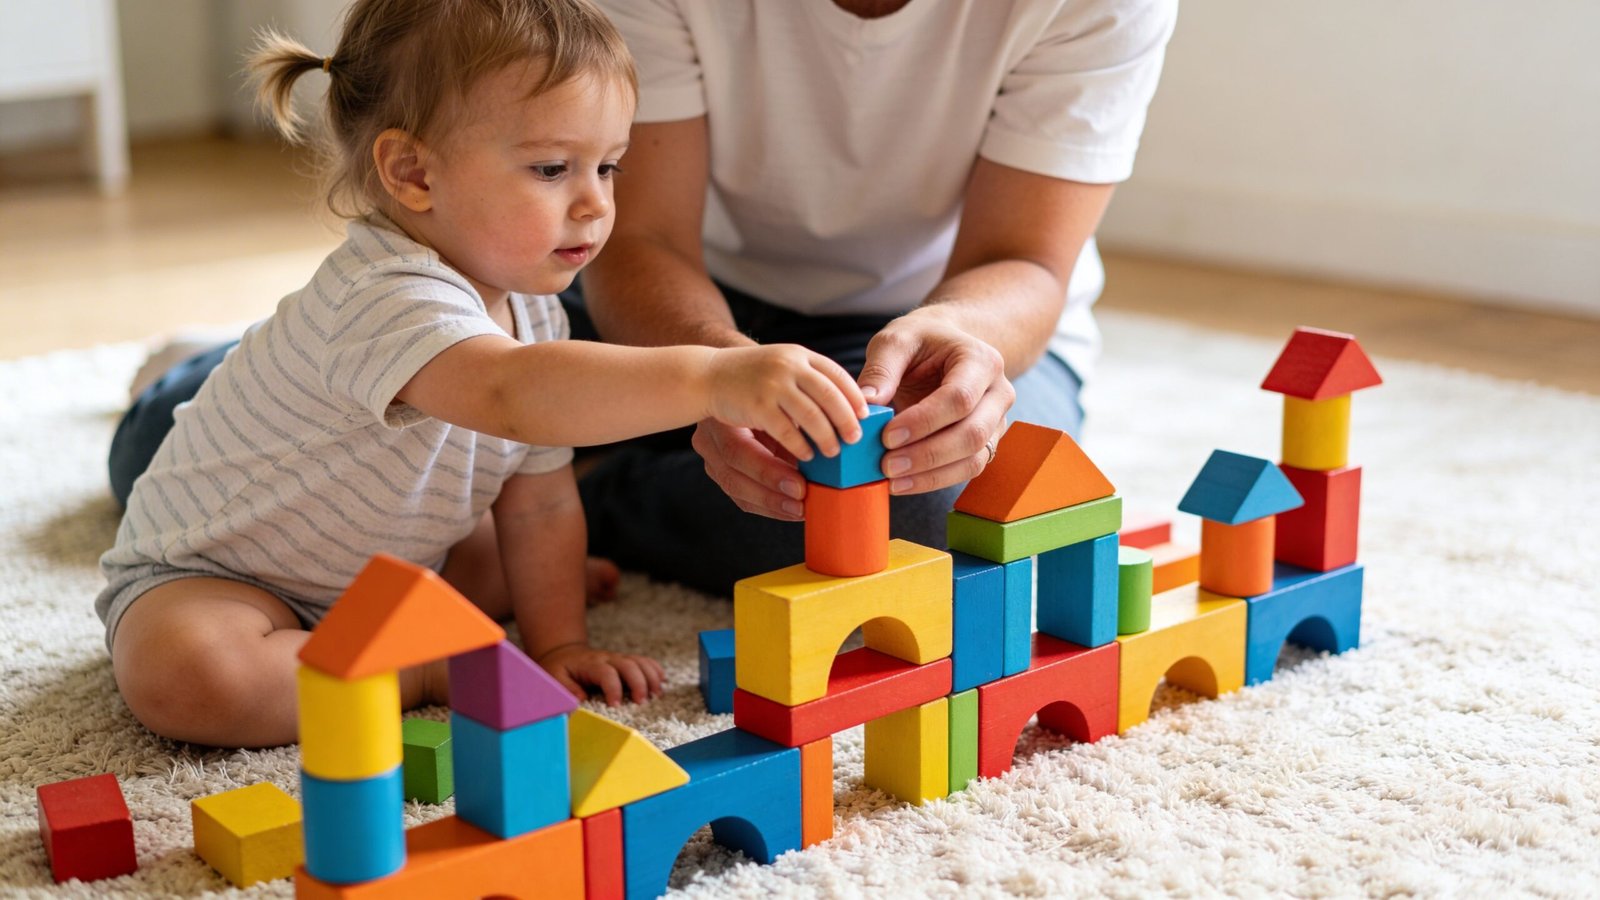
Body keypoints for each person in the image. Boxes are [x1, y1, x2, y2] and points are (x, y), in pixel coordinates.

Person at [97, 0, 868, 749]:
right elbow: (514, 395)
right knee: (191, 676)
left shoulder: (534, 311)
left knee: (521, 550)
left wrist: (559, 642)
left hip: (386, 569)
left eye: (608, 167)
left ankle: (412, 630)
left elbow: (536, 502)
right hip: (221, 579)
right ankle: (421, 667)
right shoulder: (385, 293)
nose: (596, 203)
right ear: (412, 172)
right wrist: (711, 376)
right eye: (552, 168)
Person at [570, 0, 1179, 594]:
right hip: (692, 295)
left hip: (957, 318)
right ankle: (578, 474)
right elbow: (641, 239)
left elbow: (1025, 260)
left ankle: (585, 492)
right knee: (487, 375)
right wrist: (715, 367)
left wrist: (957, 333)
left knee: (924, 522)